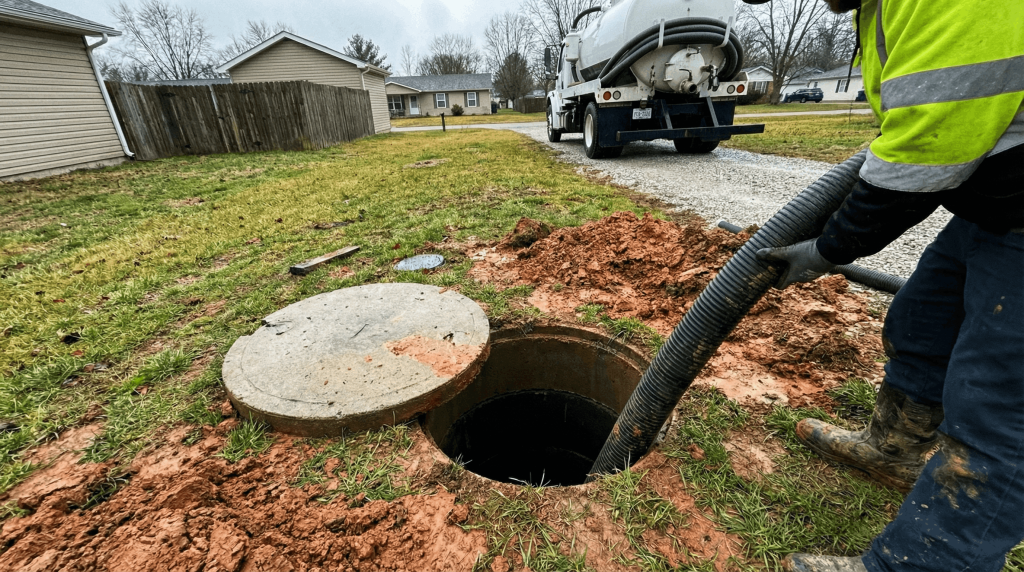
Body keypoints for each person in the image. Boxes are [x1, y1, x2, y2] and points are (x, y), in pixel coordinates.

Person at [752, 0, 1024, 570]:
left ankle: (923, 564)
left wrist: (829, 249)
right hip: (999, 200)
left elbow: (925, 145)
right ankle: (895, 448)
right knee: (923, 318)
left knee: (999, 405)